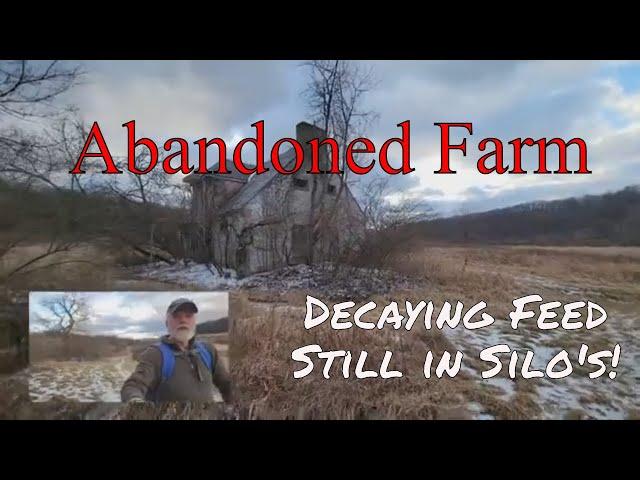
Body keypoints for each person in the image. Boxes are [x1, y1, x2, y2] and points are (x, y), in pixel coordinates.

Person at [121, 297, 232, 404]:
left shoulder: (208, 351)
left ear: (194, 322)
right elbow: (133, 386)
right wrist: (136, 402)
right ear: (167, 324)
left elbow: (226, 384)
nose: (183, 320)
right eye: (176, 316)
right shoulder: (156, 354)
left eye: (188, 316)